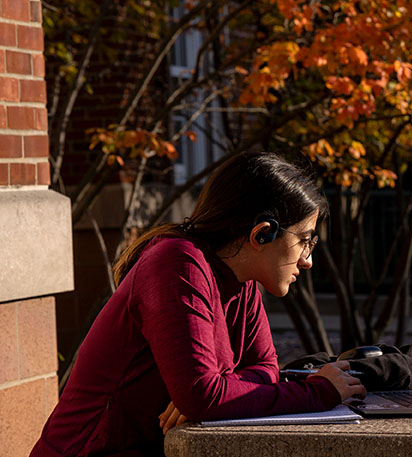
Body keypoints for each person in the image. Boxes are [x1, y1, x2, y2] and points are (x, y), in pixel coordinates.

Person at [30, 152, 366, 456]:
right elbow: (204, 396)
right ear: (261, 234)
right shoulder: (177, 265)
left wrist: (218, 394)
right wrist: (321, 391)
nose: (308, 261)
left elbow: (264, 369)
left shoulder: (243, 280)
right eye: (305, 240)